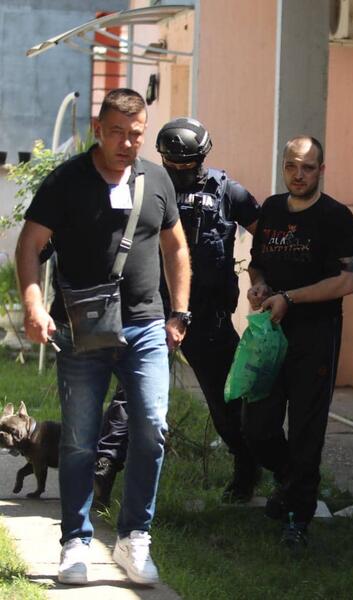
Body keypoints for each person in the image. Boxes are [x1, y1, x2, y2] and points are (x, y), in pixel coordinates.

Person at [15, 89, 191, 586]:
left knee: (152, 427)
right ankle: (75, 542)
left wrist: (179, 313)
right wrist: (33, 305)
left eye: (136, 134)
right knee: (78, 440)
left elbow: (176, 247)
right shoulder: (67, 181)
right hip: (81, 329)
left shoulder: (156, 179)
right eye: (117, 132)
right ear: (97, 129)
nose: (127, 143)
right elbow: (29, 245)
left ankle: (135, 539)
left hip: (146, 326)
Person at [93, 117, 262, 507]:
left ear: (202, 156)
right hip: (152, 309)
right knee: (129, 392)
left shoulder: (227, 191)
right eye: (173, 164)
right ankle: (104, 467)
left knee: (227, 399)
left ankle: (246, 467)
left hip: (207, 316)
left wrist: (263, 276)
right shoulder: (142, 185)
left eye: (188, 164)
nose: (181, 172)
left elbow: (268, 233)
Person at [244, 136, 353, 548]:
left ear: (321, 171)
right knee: (257, 426)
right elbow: (257, 265)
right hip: (270, 333)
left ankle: (298, 516)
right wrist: (259, 287)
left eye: (308, 168)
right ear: (283, 166)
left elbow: (346, 281)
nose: (298, 174)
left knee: (307, 429)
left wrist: (289, 298)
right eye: (292, 165)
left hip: (316, 334)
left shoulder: (336, 217)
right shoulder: (272, 209)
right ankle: (289, 479)